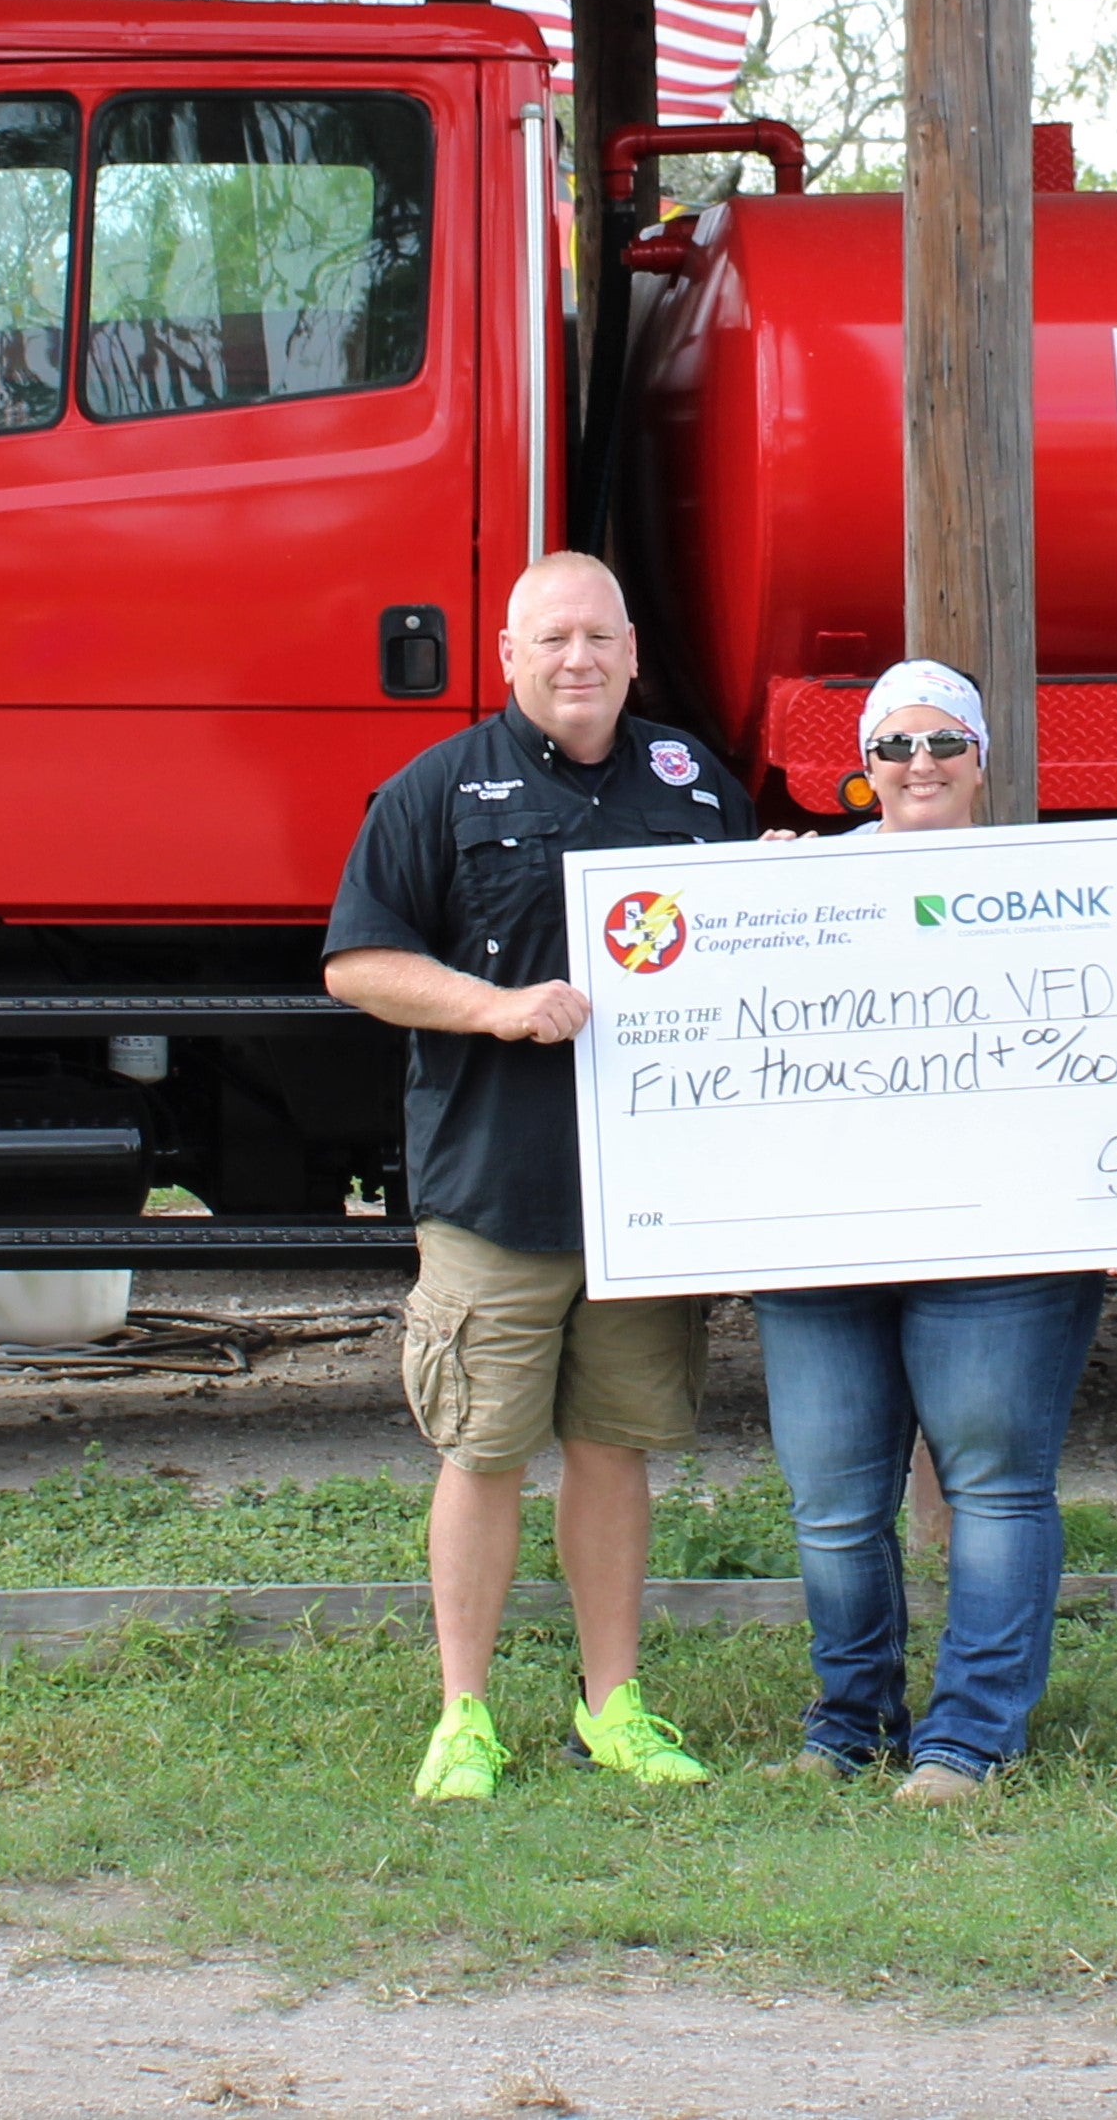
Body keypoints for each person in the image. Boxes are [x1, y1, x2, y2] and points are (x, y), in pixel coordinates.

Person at [324, 551, 752, 1803]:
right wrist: (495, 1008)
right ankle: (464, 1716)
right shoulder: (438, 790)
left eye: (599, 638)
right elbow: (356, 963)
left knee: (615, 1450)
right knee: (485, 1451)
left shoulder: (690, 782)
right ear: (508, 655)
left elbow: (751, 939)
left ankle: (612, 1703)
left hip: (640, 1203)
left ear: (632, 651)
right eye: (551, 639)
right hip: (496, 1197)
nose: (578, 660)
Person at [751, 663, 1109, 1805]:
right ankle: (850, 1718)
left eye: (945, 742)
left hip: (1005, 1247)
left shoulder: (1059, 886)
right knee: (832, 1501)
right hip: (825, 1241)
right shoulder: (804, 886)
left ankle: (970, 1736)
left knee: (996, 1486)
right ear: (863, 766)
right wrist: (747, 912)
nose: (919, 764)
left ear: (981, 760)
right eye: (895, 745)